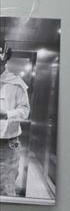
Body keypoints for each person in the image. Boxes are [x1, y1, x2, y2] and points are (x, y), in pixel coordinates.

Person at [0, 43, 30, 198]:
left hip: (7, 144)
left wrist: (7, 114)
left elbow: (25, 111)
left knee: (5, 189)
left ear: (5, 60)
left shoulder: (16, 84)